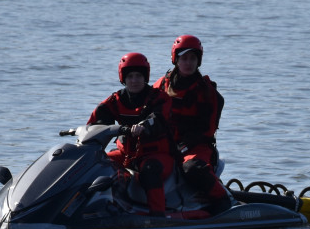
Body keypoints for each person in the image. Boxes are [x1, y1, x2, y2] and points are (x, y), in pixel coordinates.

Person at [88, 52, 176, 216]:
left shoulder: (159, 98)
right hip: (126, 153)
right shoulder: (116, 100)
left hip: (156, 154)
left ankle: (158, 216)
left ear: (145, 77)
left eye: (138, 76)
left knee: (150, 170)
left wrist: (144, 126)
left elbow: (158, 118)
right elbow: (97, 119)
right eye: (130, 76)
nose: (134, 80)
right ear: (123, 78)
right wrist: (85, 133)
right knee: (95, 163)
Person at [153, 35, 232, 214]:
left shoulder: (207, 91)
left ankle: (222, 200)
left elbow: (207, 131)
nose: (188, 63)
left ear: (198, 61)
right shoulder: (161, 85)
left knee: (192, 168)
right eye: (184, 58)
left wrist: (181, 147)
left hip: (196, 146)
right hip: (166, 144)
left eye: (192, 58)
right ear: (176, 60)